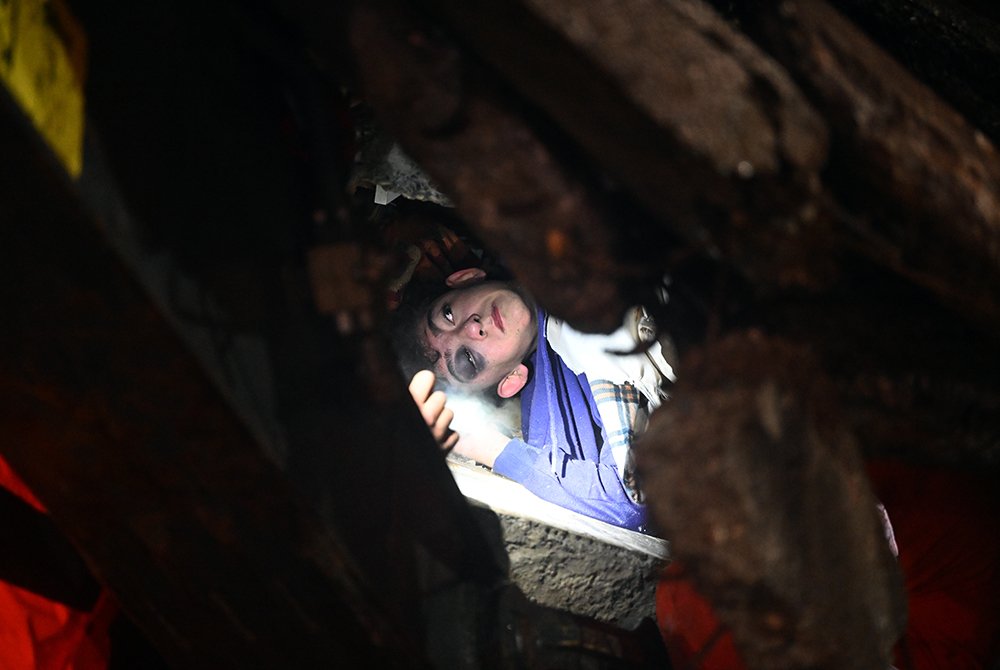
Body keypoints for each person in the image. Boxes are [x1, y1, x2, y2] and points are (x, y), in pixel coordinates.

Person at [394, 267, 674, 533]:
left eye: (448, 314)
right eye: (467, 359)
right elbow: (628, 501)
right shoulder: (559, 401)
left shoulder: (543, 245)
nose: (472, 327)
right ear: (511, 380)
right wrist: (476, 443)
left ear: (466, 277)